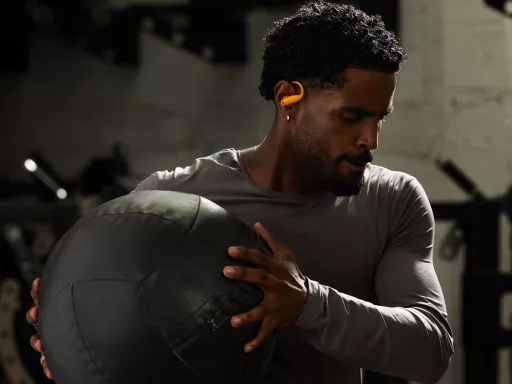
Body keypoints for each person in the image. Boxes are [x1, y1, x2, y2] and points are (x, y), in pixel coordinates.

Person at [26, 1, 454, 383]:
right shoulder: (173, 199)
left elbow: (430, 350)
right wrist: (70, 343)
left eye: (380, 118)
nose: (370, 139)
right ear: (289, 98)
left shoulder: (393, 201)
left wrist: (306, 303)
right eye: (352, 117)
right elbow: (104, 328)